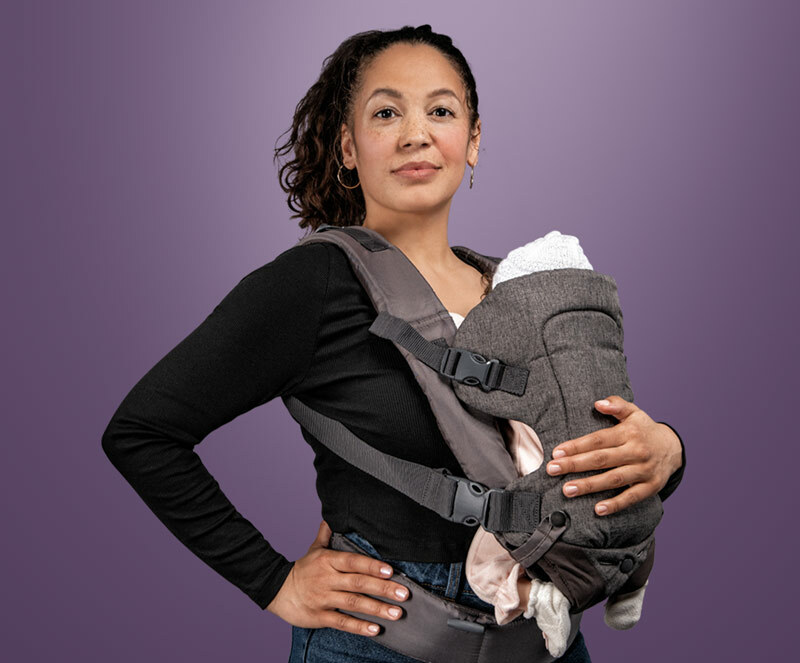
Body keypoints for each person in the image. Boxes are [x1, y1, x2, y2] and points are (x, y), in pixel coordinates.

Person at [102, 25, 685, 663]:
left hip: (547, 636)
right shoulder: (313, 284)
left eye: (441, 111)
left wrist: (667, 451)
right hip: (381, 641)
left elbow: (585, 443)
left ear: (474, 140)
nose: (416, 133)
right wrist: (273, 581)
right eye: (386, 113)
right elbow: (142, 431)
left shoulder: (521, 284)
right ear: (348, 147)